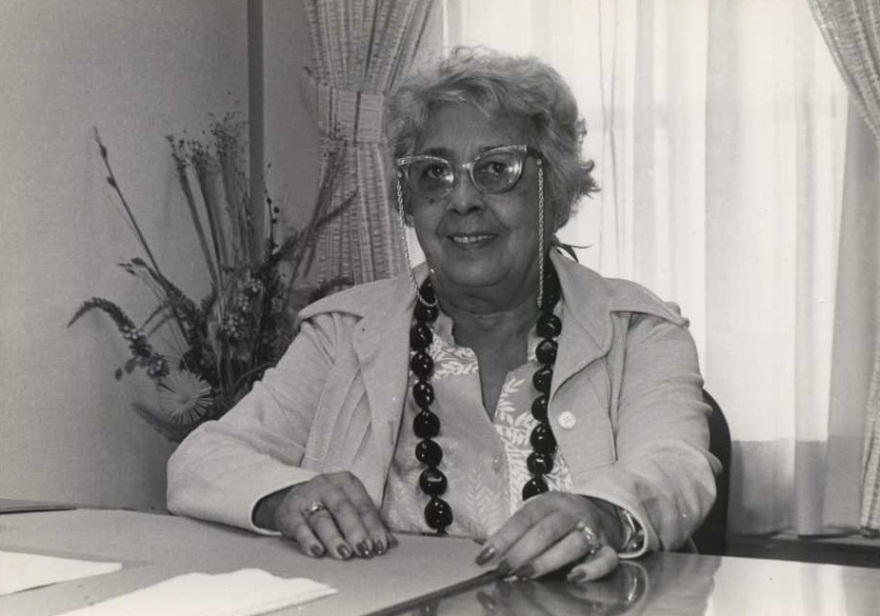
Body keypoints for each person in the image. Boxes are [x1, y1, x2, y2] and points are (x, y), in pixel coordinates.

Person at [167, 47, 719, 583]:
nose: (461, 200)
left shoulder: (639, 331)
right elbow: (202, 460)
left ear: (555, 187)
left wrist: (605, 513)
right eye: (433, 174)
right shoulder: (343, 334)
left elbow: (676, 466)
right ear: (408, 203)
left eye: (497, 169)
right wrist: (286, 496)